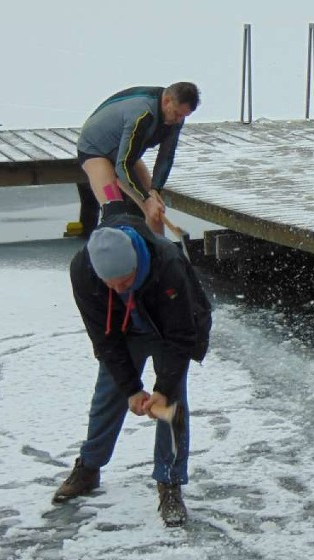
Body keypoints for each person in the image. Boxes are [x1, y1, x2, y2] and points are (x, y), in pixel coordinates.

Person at [53, 212, 212, 526]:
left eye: (124, 281)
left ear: (136, 264)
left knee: (172, 403)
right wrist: (130, 388)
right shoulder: (84, 272)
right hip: (124, 332)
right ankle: (89, 467)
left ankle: (170, 483)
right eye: (109, 284)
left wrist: (162, 390)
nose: (117, 288)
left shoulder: (167, 263)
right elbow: (103, 338)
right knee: (108, 393)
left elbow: (183, 335)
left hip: (169, 331)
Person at [76, 82, 200, 236]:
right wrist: (146, 199)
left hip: (125, 154)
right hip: (96, 151)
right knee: (115, 211)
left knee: (156, 211)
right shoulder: (142, 114)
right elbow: (123, 166)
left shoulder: (175, 119)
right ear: (167, 101)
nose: (179, 120)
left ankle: (158, 256)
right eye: (177, 114)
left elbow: (166, 157)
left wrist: (155, 190)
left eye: (184, 116)